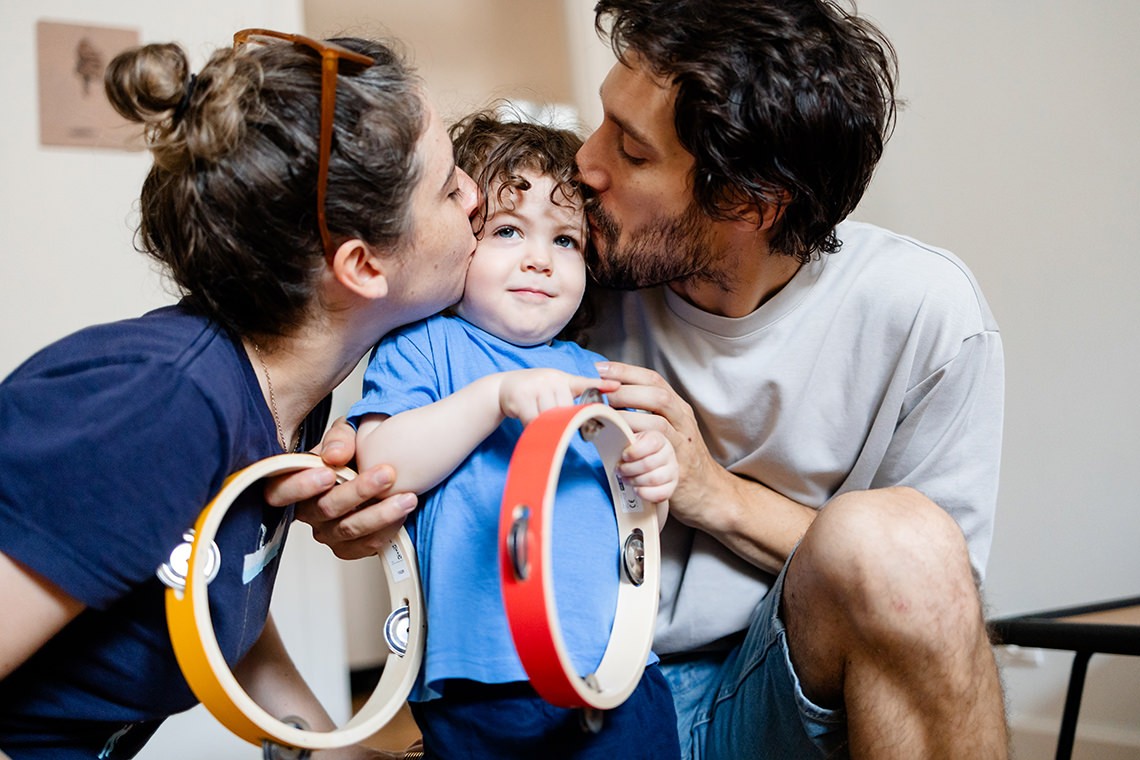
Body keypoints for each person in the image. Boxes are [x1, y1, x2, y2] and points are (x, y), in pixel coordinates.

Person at [294, 1, 1010, 758]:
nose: (585, 164)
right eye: (603, 120)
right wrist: (360, 499)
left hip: (779, 692)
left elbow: (934, 603)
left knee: (906, 545)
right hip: (574, 688)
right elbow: (385, 406)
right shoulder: (560, 280)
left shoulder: (923, 313)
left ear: (747, 201)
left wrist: (715, 495)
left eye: (631, 152)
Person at [0, 29, 479, 759]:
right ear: (362, 264)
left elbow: (213, 604)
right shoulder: (163, 404)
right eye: (449, 188)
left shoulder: (284, 402)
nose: (475, 198)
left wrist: (340, 752)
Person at [345, 109, 680, 759]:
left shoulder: (599, 375)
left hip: (618, 671)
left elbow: (636, 524)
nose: (539, 260)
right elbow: (379, 466)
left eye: (564, 241)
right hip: (481, 681)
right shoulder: (424, 348)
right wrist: (492, 399)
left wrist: (655, 478)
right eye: (507, 230)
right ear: (459, 241)